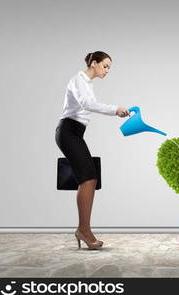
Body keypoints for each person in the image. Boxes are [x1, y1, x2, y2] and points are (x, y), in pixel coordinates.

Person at [55, 51, 129, 250]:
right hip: (68, 131)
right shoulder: (78, 80)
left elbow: (88, 106)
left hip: (75, 133)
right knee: (88, 177)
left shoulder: (87, 84)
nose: (107, 71)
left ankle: (83, 229)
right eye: (105, 66)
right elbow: (87, 104)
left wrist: (118, 112)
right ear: (94, 63)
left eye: (109, 68)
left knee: (90, 177)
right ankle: (83, 230)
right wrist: (115, 109)